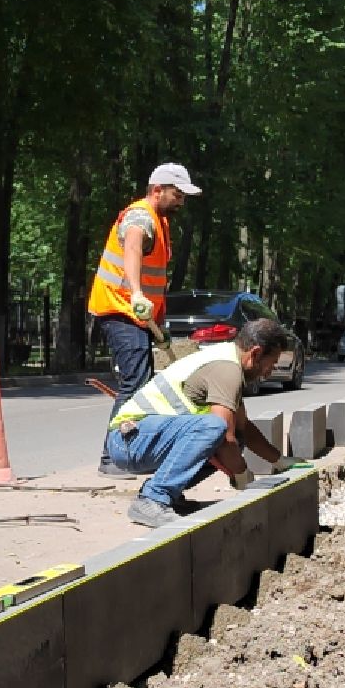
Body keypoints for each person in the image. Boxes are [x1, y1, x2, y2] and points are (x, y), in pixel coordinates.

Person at [105, 317, 299, 527]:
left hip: (143, 439)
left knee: (232, 436)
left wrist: (279, 460)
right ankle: (153, 498)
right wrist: (243, 475)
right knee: (216, 428)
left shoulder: (229, 361)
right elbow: (225, 437)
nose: (269, 372)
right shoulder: (227, 370)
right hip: (128, 440)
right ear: (256, 353)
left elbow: (243, 427)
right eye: (271, 364)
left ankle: (171, 496)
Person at [91, 162, 201, 478]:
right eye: (177, 194)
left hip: (137, 314)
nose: (181, 202)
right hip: (121, 308)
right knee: (134, 382)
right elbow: (133, 247)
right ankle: (112, 457)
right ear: (157, 191)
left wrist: (160, 322)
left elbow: (156, 277)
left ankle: (132, 452)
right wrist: (137, 292)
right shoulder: (140, 217)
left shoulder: (161, 222)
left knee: (142, 383)